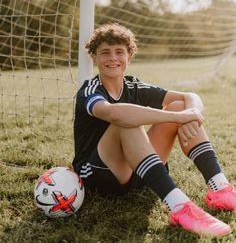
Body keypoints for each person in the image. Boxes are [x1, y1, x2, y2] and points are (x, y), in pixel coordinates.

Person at [73, 23, 235, 237]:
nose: (113, 58)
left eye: (119, 52)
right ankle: (179, 207)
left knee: (180, 105)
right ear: (93, 58)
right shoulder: (90, 90)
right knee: (126, 123)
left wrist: (191, 115)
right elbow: (113, 113)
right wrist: (178, 117)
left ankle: (219, 187)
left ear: (129, 57)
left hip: (138, 174)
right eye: (105, 52)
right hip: (99, 175)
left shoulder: (134, 86)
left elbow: (190, 96)